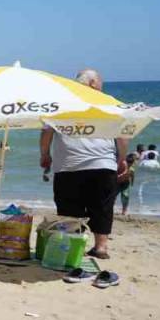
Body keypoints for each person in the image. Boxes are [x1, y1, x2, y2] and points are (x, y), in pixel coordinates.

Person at [39, 69, 127, 259]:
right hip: (103, 164)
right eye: (101, 81)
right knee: (102, 206)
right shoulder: (109, 104)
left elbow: (47, 133)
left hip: (69, 166)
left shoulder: (61, 104)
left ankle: (71, 246)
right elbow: (122, 136)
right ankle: (101, 247)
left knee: (69, 207)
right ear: (93, 82)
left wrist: (45, 155)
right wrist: (121, 160)